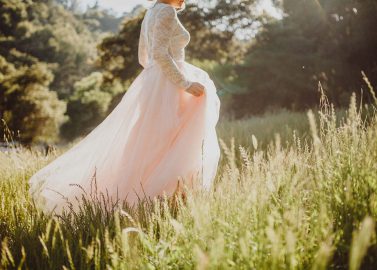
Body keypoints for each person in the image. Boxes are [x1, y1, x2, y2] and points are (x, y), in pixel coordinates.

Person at [28, 0, 221, 215]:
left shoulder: (152, 11)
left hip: (155, 82)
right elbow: (158, 53)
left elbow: (144, 57)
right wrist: (184, 83)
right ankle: (159, 201)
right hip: (168, 85)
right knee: (173, 141)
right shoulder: (166, 11)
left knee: (153, 142)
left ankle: (159, 200)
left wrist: (155, 81)